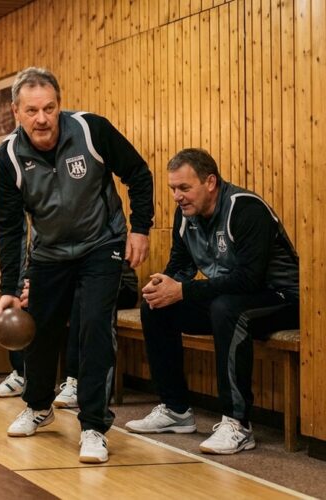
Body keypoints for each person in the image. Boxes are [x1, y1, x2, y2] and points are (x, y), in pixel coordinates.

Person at [0, 67, 153, 463]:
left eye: (49, 108)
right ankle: (38, 407)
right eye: (32, 111)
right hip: (48, 254)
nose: (42, 118)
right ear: (16, 112)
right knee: (41, 333)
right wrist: (10, 289)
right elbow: (10, 230)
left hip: (102, 245)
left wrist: (140, 228)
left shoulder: (91, 130)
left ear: (59, 105)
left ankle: (94, 426)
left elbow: (139, 173)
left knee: (95, 329)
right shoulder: (8, 158)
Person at [125, 148, 299, 455]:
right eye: (173, 189)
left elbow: (249, 280)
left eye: (184, 188)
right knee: (155, 308)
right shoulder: (185, 215)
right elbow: (181, 266)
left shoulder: (245, 209)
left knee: (228, 310)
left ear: (210, 182)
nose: (177, 196)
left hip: (282, 298)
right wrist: (163, 284)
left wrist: (183, 291)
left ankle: (238, 424)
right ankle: (175, 409)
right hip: (230, 298)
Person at [0, 263, 138, 405]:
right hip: (71, 281)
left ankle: (74, 380)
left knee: (79, 298)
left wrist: (46, 287)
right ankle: (23, 375)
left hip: (116, 283)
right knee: (27, 298)